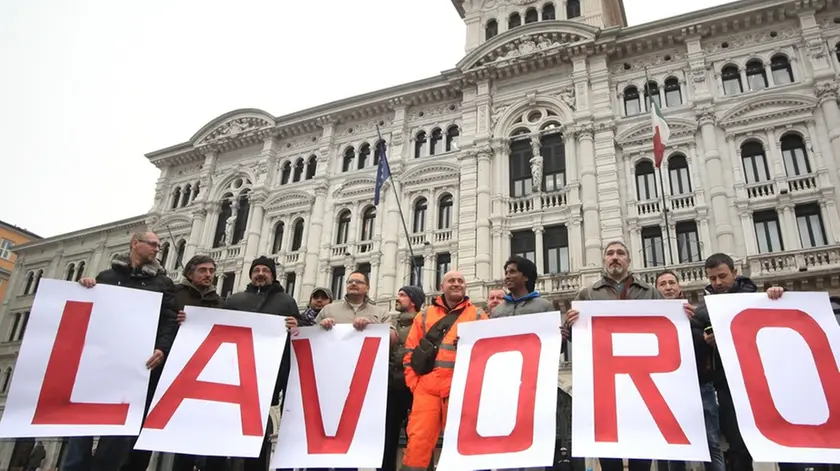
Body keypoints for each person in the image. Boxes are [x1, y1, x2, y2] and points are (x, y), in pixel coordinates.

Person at [563, 241, 693, 471]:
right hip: (605, 384)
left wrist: (682, 319)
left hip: (643, 383)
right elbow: (574, 337)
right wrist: (571, 324)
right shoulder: (587, 294)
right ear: (604, 260)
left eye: (620, 253)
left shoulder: (650, 292)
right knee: (608, 450)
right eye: (610, 253)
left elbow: (666, 330)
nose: (615, 257)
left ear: (628, 260)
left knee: (642, 448)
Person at [63, 231, 179, 471]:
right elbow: (90, 313)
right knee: (80, 427)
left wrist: (161, 348)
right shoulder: (106, 277)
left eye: (159, 245)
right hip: (100, 364)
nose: (158, 249)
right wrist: (85, 287)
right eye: (153, 244)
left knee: (118, 437)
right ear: (135, 244)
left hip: (136, 367)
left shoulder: (163, 283)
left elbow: (168, 320)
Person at [693, 253, 783, 471]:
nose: (718, 283)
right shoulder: (704, 311)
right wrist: (705, 341)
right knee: (738, 447)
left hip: (765, 383)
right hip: (727, 386)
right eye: (712, 278)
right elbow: (694, 343)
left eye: (722, 276)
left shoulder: (760, 299)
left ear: (735, 273)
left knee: (783, 442)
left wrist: (779, 294)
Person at [400, 270, 488, 471]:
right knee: (417, 446)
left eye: (460, 281)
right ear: (442, 287)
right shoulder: (424, 315)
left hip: (460, 391)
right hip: (427, 390)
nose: (456, 284)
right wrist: (415, 385)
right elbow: (410, 352)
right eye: (451, 281)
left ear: (465, 286)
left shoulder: (478, 315)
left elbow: (485, 354)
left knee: (461, 444)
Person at [224, 256, 301, 471]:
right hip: (234, 374)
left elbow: (296, 337)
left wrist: (297, 325)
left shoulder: (286, 301)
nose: (260, 273)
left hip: (267, 377)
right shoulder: (234, 301)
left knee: (257, 431)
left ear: (273, 275)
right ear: (250, 274)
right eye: (256, 269)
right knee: (230, 429)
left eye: (265, 270)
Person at [314, 270, 395, 471]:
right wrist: (321, 327)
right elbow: (310, 340)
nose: (353, 284)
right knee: (328, 430)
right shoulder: (328, 310)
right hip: (332, 384)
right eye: (350, 281)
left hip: (365, 385)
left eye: (358, 282)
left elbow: (394, 339)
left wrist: (373, 326)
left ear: (367, 287)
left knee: (357, 434)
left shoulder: (381, 312)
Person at [654, 270, 724, 471]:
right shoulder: (650, 318)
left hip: (701, 385)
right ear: (657, 290)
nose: (668, 287)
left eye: (671, 283)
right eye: (663, 284)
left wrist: (706, 336)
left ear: (679, 288)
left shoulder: (698, 313)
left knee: (711, 441)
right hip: (668, 390)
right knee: (675, 446)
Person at [163, 255, 228, 471]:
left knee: (206, 432)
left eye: (211, 271)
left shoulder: (219, 302)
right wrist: (176, 319)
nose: (208, 274)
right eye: (203, 270)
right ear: (190, 273)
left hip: (208, 375)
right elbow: (161, 321)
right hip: (176, 372)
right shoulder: (173, 294)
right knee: (181, 436)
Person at [382, 285, 425, 471]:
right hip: (392, 389)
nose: (397, 298)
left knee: (417, 438)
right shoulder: (392, 325)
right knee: (387, 437)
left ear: (413, 301)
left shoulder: (424, 324)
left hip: (415, 389)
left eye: (402, 295)